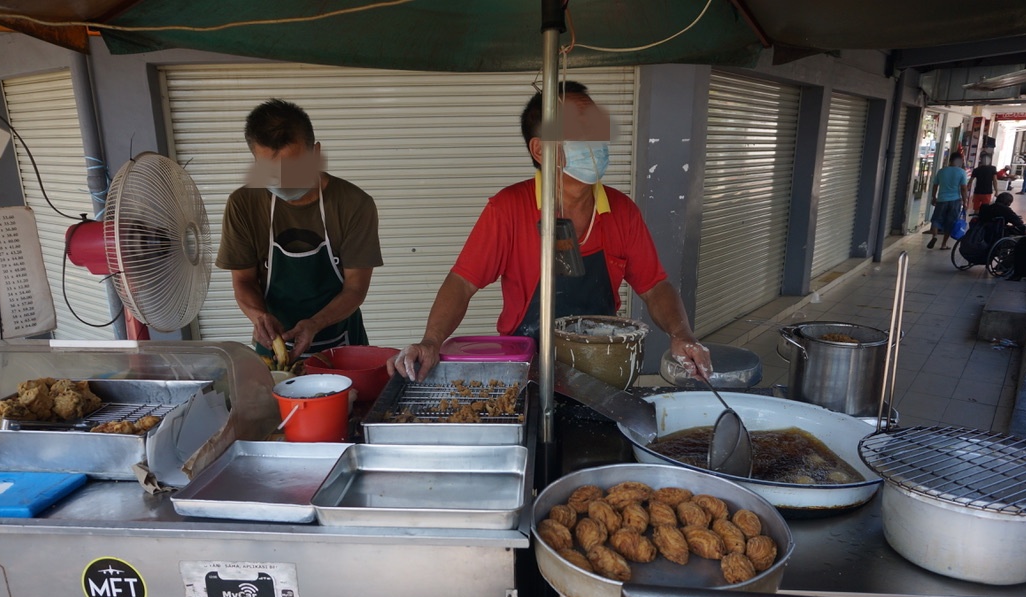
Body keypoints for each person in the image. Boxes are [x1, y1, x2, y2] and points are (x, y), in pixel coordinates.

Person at [390, 81, 711, 383]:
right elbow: (462, 283)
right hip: (526, 371)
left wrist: (680, 334)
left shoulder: (622, 212)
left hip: (601, 371)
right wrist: (431, 341)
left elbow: (655, 287)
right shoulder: (508, 209)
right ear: (541, 150)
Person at [218, 99, 383, 361]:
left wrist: (315, 323)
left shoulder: (354, 204)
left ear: (315, 154)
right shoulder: (243, 204)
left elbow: (355, 288)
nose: (283, 182)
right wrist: (260, 318)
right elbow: (243, 281)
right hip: (274, 345)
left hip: (342, 343)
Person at [926, 152, 967, 250]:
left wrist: (933, 197)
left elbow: (935, 185)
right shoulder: (961, 172)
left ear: (950, 160)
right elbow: (963, 188)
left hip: (941, 200)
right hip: (955, 200)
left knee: (936, 219)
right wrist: (965, 202)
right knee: (950, 222)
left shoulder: (942, 171)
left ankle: (934, 236)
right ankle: (943, 244)